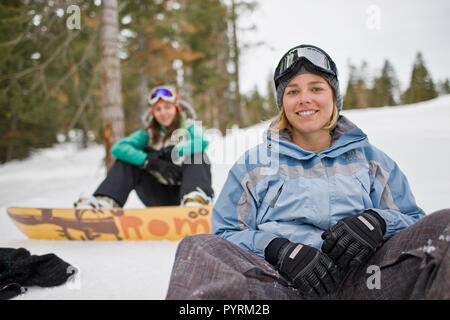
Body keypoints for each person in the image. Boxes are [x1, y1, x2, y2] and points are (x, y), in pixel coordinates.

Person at [165, 44, 450, 299]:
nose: (304, 99)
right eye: (293, 91)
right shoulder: (254, 164)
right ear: (283, 103)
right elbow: (225, 233)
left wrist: (379, 222)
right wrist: (278, 249)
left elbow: (413, 220)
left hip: (367, 282)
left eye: (316, 88)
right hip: (280, 285)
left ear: (333, 98)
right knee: (199, 249)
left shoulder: (372, 160)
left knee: (445, 228)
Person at [75, 85, 214, 209]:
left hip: (182, 190)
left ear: (176, 108)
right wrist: (149, 161)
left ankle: (195, 199)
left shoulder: (189, 127)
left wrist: (176, 151)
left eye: (167, 107)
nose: (163, 113)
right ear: (153, 113)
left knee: (198, 156)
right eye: (158, 109)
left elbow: (201, 142)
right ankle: (106, 201)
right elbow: (119, 148)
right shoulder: (147, 134)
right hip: (157, 194)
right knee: (127, 160)